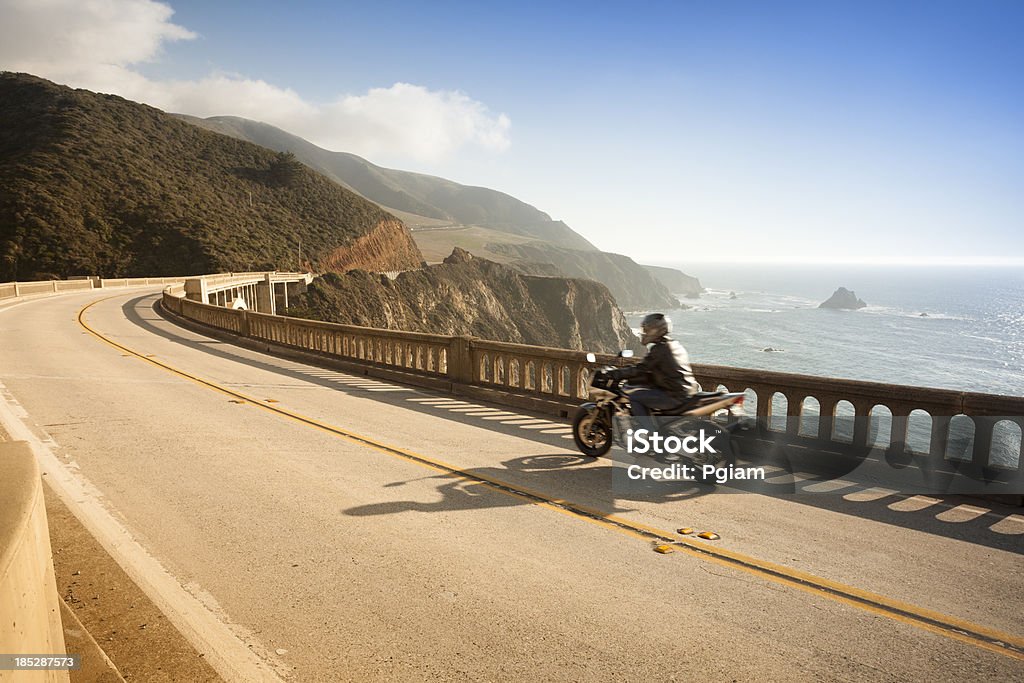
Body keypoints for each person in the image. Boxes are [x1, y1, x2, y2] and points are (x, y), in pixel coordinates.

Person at [607, 313, 698, 417]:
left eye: (647, 329)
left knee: (635, 397)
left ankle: (646, 431)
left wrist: (615, 373)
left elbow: (641, 368)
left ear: (657, 330)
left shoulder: (660, 349)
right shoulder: (674, 344)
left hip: (674, 395)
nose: (644, 333)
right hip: (686, 392)